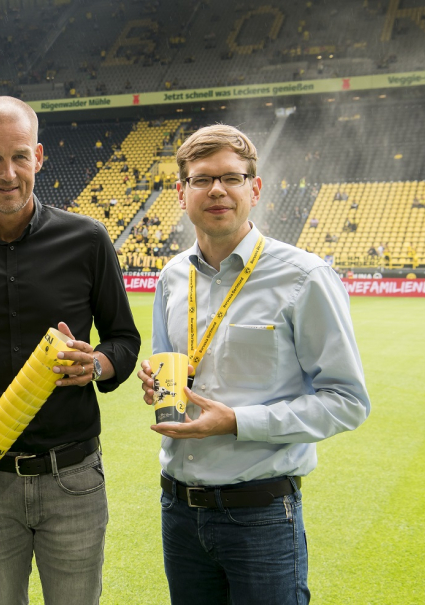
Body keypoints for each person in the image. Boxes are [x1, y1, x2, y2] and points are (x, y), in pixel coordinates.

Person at [137, 125, 370, 605]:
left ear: (255, 189)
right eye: (201, 180)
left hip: (261, 513)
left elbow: (347, 402)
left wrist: (237, 422)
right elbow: (172, 371)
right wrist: (158, 387)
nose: (217, 189)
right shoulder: (171, 277)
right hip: (178, 510)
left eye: (232, 177)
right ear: (182, 194)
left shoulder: (304, 277)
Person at [0, 96, 140, 605]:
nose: (8, 172)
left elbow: (124, 341)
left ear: (39, 157)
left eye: (19, 156)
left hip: (74, 479)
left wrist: (97, 363)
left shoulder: (87, 240)